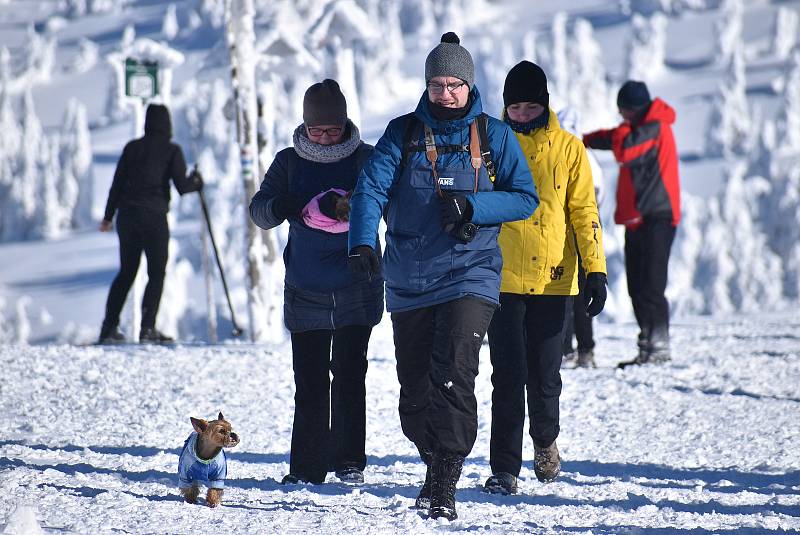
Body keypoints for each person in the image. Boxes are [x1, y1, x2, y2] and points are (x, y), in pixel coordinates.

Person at [347, 33, 538, 520]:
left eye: (455, 84)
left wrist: (474, 204)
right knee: (414, 394)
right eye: (438, 84)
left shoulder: (494, 136)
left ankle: (443, 480)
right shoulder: (402, 134)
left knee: (455, 374)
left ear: (469, 85)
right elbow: (370, 189)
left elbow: (524, 196)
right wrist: (363, 241)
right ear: (427, 86)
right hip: (409, 278)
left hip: (470, 274)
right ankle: (435, 456)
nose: (446, 93)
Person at [249, 79, 383, 485]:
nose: (324, 138)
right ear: (304, 125)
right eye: (316, 130)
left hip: (356, 282)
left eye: (333, 129)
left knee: (349, 375)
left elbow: (394, 205)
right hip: (306, 286)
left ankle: (348, 462)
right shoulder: (288, 162)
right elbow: (259, 211)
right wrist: (281, 205)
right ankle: (306, 466)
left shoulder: (367, 159)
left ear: (346, 123)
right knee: (308, 380)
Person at [482, 61, 607, 496]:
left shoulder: (570, 149)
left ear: (545, 103)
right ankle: (503, 468)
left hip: (554, 280)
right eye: (513, 106)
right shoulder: (489, 145)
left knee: (545, 374)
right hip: (500, 278)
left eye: (529, 104)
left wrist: (595, 269)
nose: (520, 113)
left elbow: (584, 212)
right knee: (507, 374)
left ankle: (545, 440)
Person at [583, 80, 680, 368]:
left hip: (657, 217)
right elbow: (613, 137)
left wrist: (620, 129)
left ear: (635, 110)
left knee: (651, 284)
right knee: (636, 286)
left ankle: (659, 344)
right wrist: (582, 140)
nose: (622, 117)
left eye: (625, 112)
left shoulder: (655, 127)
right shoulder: (640, 127)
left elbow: (624, 148)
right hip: (638, 219)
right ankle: (647, 344)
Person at [98, 103, 203, 345]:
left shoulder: (132, 148)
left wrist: (107, 217)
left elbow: (116, 185)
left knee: (126, 272)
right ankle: (147, 329)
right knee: (156, 273)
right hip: (154, 219)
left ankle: (108, 327)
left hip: (127, 218)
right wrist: (197, 181)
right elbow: (182, 187)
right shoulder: (171, 150)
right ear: (167, 124)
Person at [558, 107, 606, 369]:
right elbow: (598, 195)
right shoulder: (587, 156)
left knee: (565, 293)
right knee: (583, 291)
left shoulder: (562, 151)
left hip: (563, 233)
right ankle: (586, 349)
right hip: (585, 233)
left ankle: (567, 349)